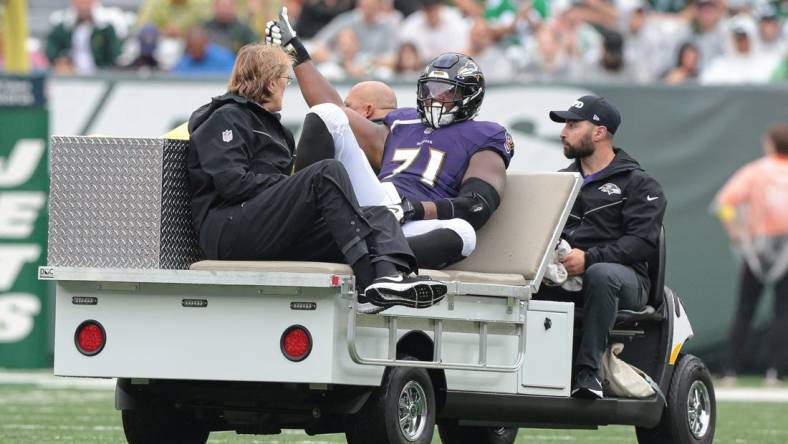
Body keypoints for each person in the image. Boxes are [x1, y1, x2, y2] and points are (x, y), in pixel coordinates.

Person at [187, 43, 446, 313]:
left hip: (261, 228)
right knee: (326, 171)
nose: (286, 87)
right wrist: (290, 186)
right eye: (286, 79)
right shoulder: (225, 117)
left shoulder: (275, 129)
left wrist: (291, 192)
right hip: (228, 232)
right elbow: (232, 184)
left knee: (378, 214)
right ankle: (366, 282)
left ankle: (388, 278)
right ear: (272, 81)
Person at [266, 9, 514, 271]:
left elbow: (476, 204)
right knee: (327, 114)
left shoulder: (485, 134)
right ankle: (297, 224)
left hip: (415, 218)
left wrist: (413, 210)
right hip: (378, 202)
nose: (434, 98)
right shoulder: (403, 122)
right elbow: (337, 111)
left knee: (463, 233)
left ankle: (358, 254)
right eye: (429, 89)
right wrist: (296, 52)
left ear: (469, 96)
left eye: (444, 92)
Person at [538, 95, 667, 399]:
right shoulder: (559, 182)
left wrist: (590, 258)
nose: (563, 132)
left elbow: (642, 243)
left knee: (602, 274)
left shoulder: (640, 183)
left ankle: (588, 372)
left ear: (599, 131)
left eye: (572, 124)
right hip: (562, 274)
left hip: (626, 281)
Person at [715, 122, 788, 386]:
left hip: (757, 248)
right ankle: (775, 373)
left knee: (745, 310)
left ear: (770, 144)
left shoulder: (756, 171)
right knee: (783, 312)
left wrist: (735, 231)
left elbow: (725, 203)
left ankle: (730, 370)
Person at [45, 0, 123, 74]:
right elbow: (52, 51)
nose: (83, 4)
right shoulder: (62, 27)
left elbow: (115, 54)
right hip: (71, 75)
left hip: (99, 74)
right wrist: (61, 61)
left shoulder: (106, 28)